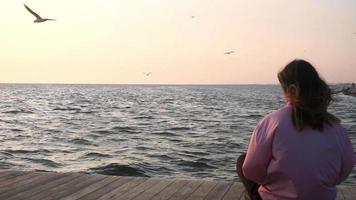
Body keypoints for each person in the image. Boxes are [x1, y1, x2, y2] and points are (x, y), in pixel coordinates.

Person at [236, 59, 355, 200]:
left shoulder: (273, 121)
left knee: (242, 160)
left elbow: (250, 170)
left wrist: (272, 182)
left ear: (291, 90)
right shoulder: (336, 126)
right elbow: (346, 166)